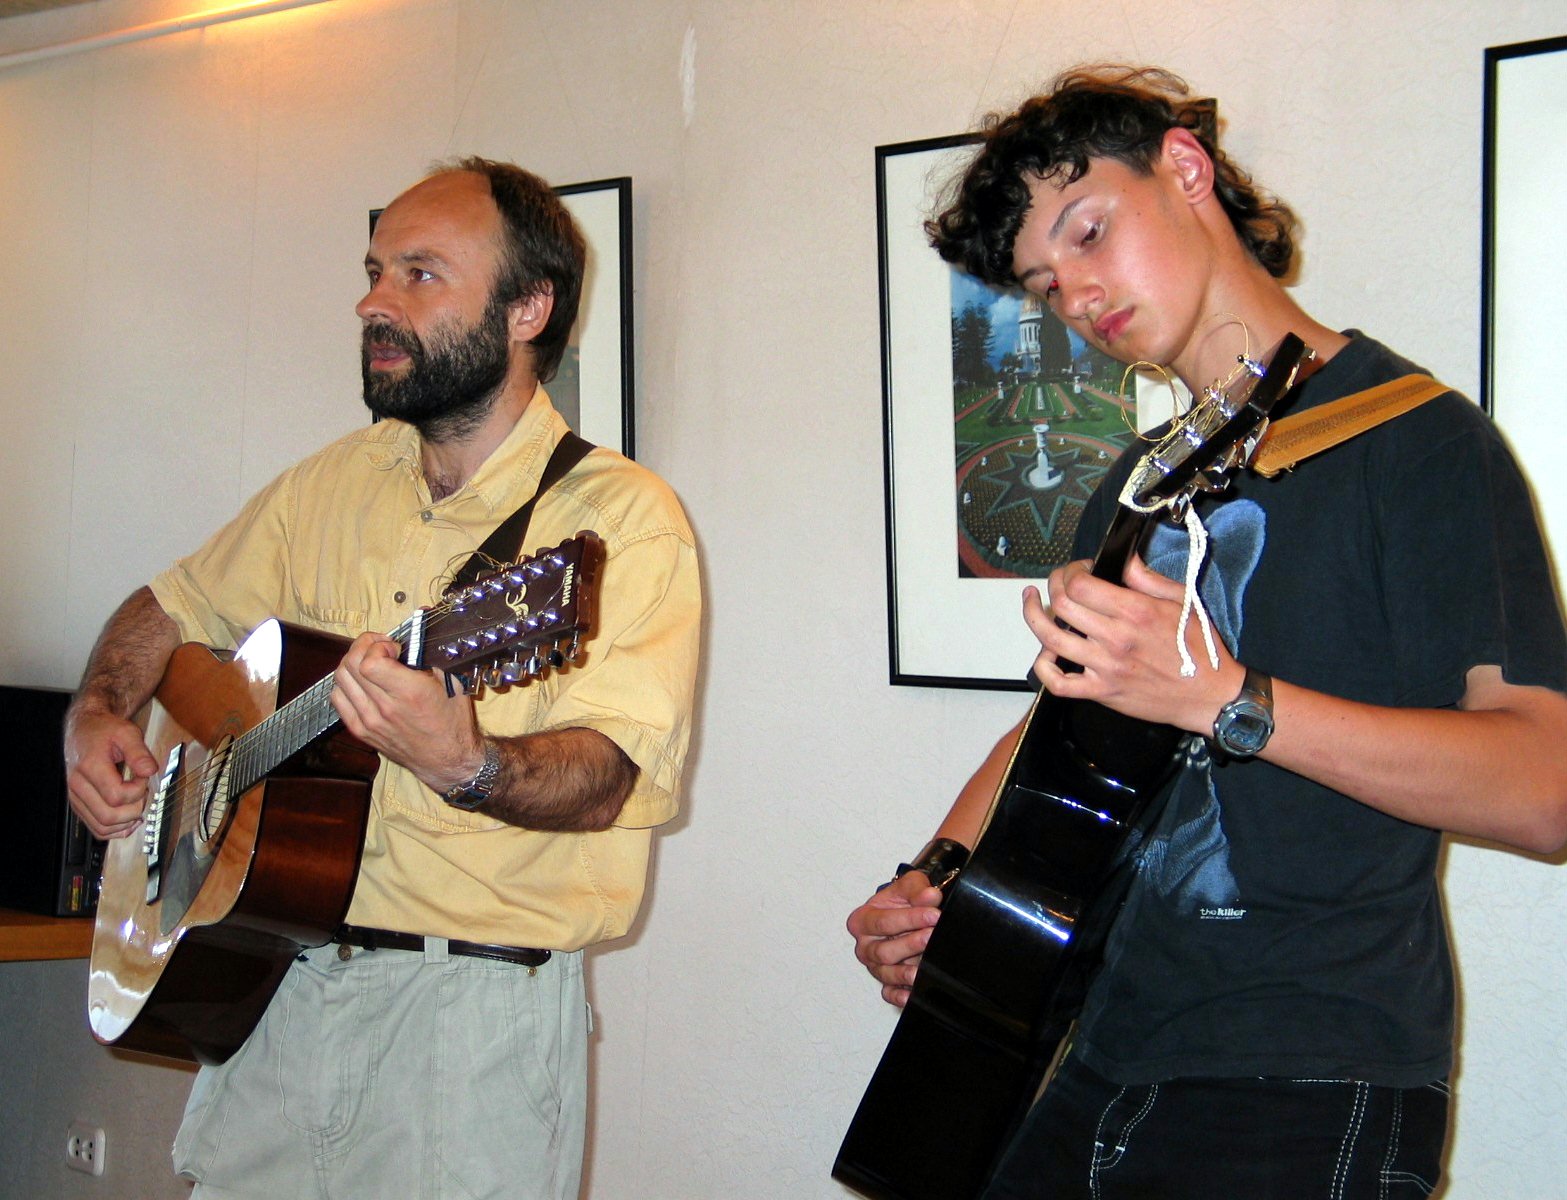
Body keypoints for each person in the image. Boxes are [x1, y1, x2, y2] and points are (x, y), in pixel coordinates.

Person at [847, 66, 1567, 1198]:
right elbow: (1058, 725)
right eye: (1043, 282)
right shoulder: (1140, 480)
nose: (1075, 296)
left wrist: (1225, 700)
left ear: (1185, 171)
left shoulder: (1422, 443)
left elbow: (1544, 786)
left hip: (1309, 1075)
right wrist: (938, 880)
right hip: (1095, 1051)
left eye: (1088, 234)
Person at [64, 158, 700, 1199]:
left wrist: (471, 763)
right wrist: (94, 717)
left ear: (527, 308)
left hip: (469, 1030)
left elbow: (609, 777)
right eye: (372, 271)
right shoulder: (330, 481)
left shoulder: (623, 520)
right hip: (273, 986)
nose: (372, 301)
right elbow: (166, 610)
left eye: (419, 273)